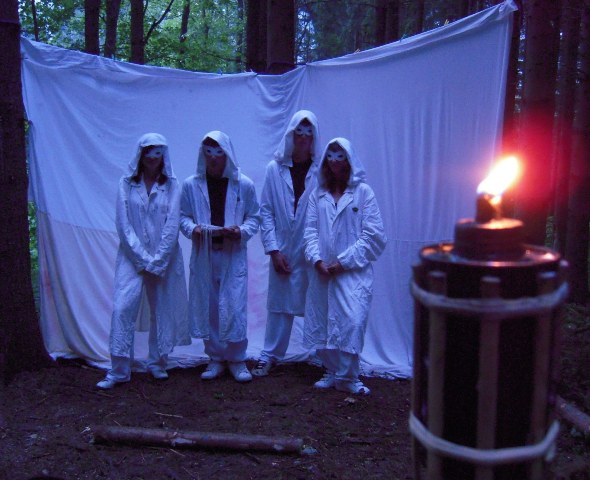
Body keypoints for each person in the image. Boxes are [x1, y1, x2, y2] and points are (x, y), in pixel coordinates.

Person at [97, 133, 190, 390]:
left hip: (165, 258)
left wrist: (158, 260)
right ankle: (119, 369)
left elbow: (172, 224)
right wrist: (142, 258)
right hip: (131, 257)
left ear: (164, 155)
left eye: (157, 152)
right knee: (122, 308)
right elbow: (123, 224)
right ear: (140, 153)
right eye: (148, 151)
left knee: (161, 309)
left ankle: (157, 363)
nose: (152, 157)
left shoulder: (172, 185)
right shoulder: (126, 184)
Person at [303, 138, 387, 395]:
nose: (335, 162)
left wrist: (345, 261)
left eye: (341, 156)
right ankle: (331, 370)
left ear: (350, 160)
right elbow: (310, 231)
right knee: (324, 321)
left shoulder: (363, 193)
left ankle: (349, 376)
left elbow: (374, 235)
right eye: (330, 156)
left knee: (352, 320)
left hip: (353, 273)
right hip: (323, 272)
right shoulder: (318, 195)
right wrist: (317, 259)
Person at [180, 131, 260, 383]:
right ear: (202, 154)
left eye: (218, 153)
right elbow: (183, 216)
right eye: (209, 153)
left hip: (232, 254)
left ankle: (237, 359)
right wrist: (192, 229)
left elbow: (254, 217)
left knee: (234, 307)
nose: (214, 158)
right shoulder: (191, 185)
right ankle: (215, 357)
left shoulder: (243, 184)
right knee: (210, 306)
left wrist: (241, 231)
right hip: (205, 254)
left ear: (227, 154)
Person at [252, 110, 321, 377]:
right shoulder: (275, 169)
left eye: (308, 133)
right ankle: (270, 354)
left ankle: (324, 355)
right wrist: (273, 249)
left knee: (317, 301)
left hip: (312, 247)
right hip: (283, 246)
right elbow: (266, 210)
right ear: (291, 134)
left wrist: (318, 250)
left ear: (314, 136)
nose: (303, 138)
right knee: (279, 304)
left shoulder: (320, 171)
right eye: (298, 132)